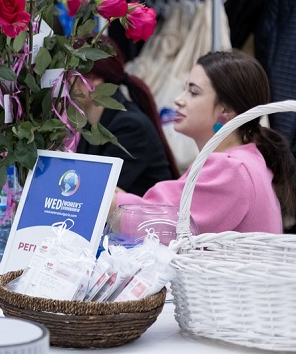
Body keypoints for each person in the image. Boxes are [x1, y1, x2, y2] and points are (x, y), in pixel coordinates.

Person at [114, 50, 296, 234]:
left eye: (193, 92)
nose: (178, 100)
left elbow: (161, 227)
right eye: (185, 89)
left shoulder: (231, 168)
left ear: (225, 110)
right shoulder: (242, 161)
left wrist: (109, 201)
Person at [73, 37, 179, 196]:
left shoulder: (131, 127)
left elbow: (94, 192)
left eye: (69, 74)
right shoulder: (93, 123)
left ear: (94, 79)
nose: (62, 83)